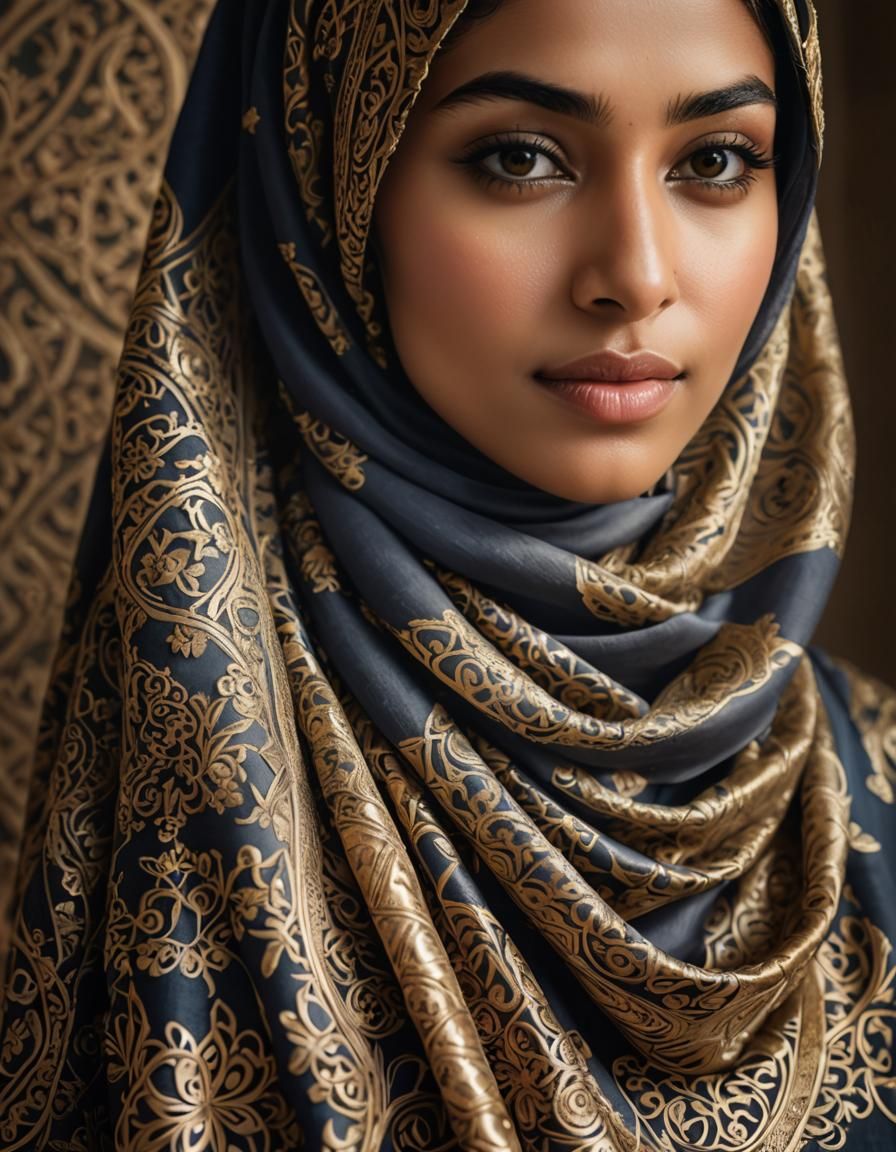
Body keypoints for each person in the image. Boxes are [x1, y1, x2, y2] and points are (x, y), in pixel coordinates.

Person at [0, 0, 894, 1148]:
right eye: (518, 159)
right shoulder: (204, 763)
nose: (634, 274)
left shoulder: (869, 772)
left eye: (714, 161)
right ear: (327, 189)